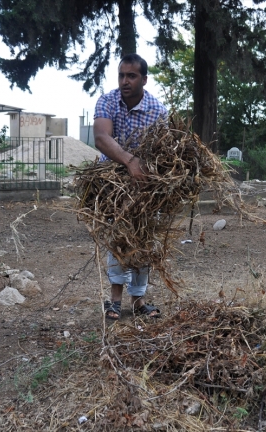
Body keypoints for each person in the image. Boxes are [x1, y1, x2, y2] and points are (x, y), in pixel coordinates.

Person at [93, 53, 168, 320]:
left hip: (145, 183)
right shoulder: (108, 101)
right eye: (121, 75)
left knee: (143, 238)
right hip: (113, 180)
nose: (125, 81)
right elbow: (102, 137)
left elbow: (165, 151)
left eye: (131, 75)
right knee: (118, 236)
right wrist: (129, 161)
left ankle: (138, 301)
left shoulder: (158, 111)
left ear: (144, 79)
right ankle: (114, 300)